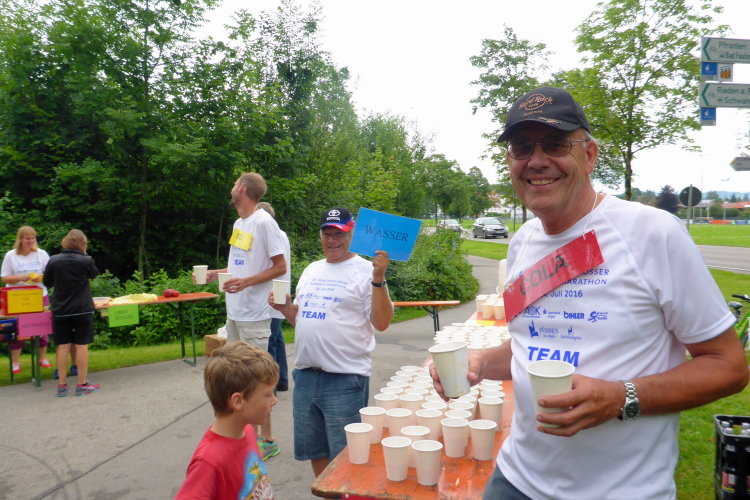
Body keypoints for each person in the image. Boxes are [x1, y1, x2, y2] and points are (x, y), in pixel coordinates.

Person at [430, 87, 750, 500]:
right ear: (510, 162)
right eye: (522, 147)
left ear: (589, 154)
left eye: (556, 144)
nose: (537, 160)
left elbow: (728, 367)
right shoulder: (522, 241)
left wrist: (620, 398)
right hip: (514, 480)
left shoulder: (654, 233)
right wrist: (481, 362)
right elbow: (532, 344)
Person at [270, 207, 394, 477]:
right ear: (320, 236)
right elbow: (300, 319)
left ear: (352, 234)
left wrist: (379, 280)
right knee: (316, 450)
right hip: (305, 375)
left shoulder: (368, 270)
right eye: (327, 233)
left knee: (346, 455)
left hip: (345, 378)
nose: (332, 240)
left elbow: (382, 322)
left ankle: (345, 493)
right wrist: (285, 308)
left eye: (339, 233)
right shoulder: (312, 270)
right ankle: (327, 494)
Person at [195, 172, 287, 460]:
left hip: (255, 314)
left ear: (243, 189)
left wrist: (246, 283)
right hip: (234, 312)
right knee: (237, 379)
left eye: (234, 184)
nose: (232, 188)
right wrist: (216, 274)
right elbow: (239, 265)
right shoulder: (239, 223)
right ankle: (245, 436)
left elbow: (280, 267)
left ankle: (268, 440)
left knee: (258, 380)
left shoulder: (264, 222)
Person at [175, 341, 278, 500]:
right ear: (238, 401)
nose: (274, 401)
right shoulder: (208, 461)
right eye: (268, 394)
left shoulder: (248, 432)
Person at [43, 229, 100, 397]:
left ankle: (62, 385)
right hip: (82, 309)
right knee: (82, 345)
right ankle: (82, 384)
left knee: (63, 345)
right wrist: (85, 254)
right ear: (83, 244)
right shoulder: (86, 260)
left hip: (61, 309)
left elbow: (47, 282)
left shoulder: (54, 260)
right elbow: (94, 274)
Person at [1, 226, 51, 374]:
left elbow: (50, 275)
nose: (31, 241)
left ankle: (42, 358)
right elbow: (4, 278)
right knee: (18, 328)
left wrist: (40, 277)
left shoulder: (41, 254)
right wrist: (18, 278)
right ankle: (15, 362)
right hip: (17, 297)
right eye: (27, 238)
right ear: (20, 239)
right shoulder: (11, 255)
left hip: (39, 295)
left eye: (33, 238)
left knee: (42, 326)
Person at [256, 202, 290, 393]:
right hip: (279, 290)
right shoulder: (281, 234)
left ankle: (271, 387)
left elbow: (272, 266)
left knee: (269, 342)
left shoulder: (272, 235)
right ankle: (282, 380)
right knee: (276, 338)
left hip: (270, 293)